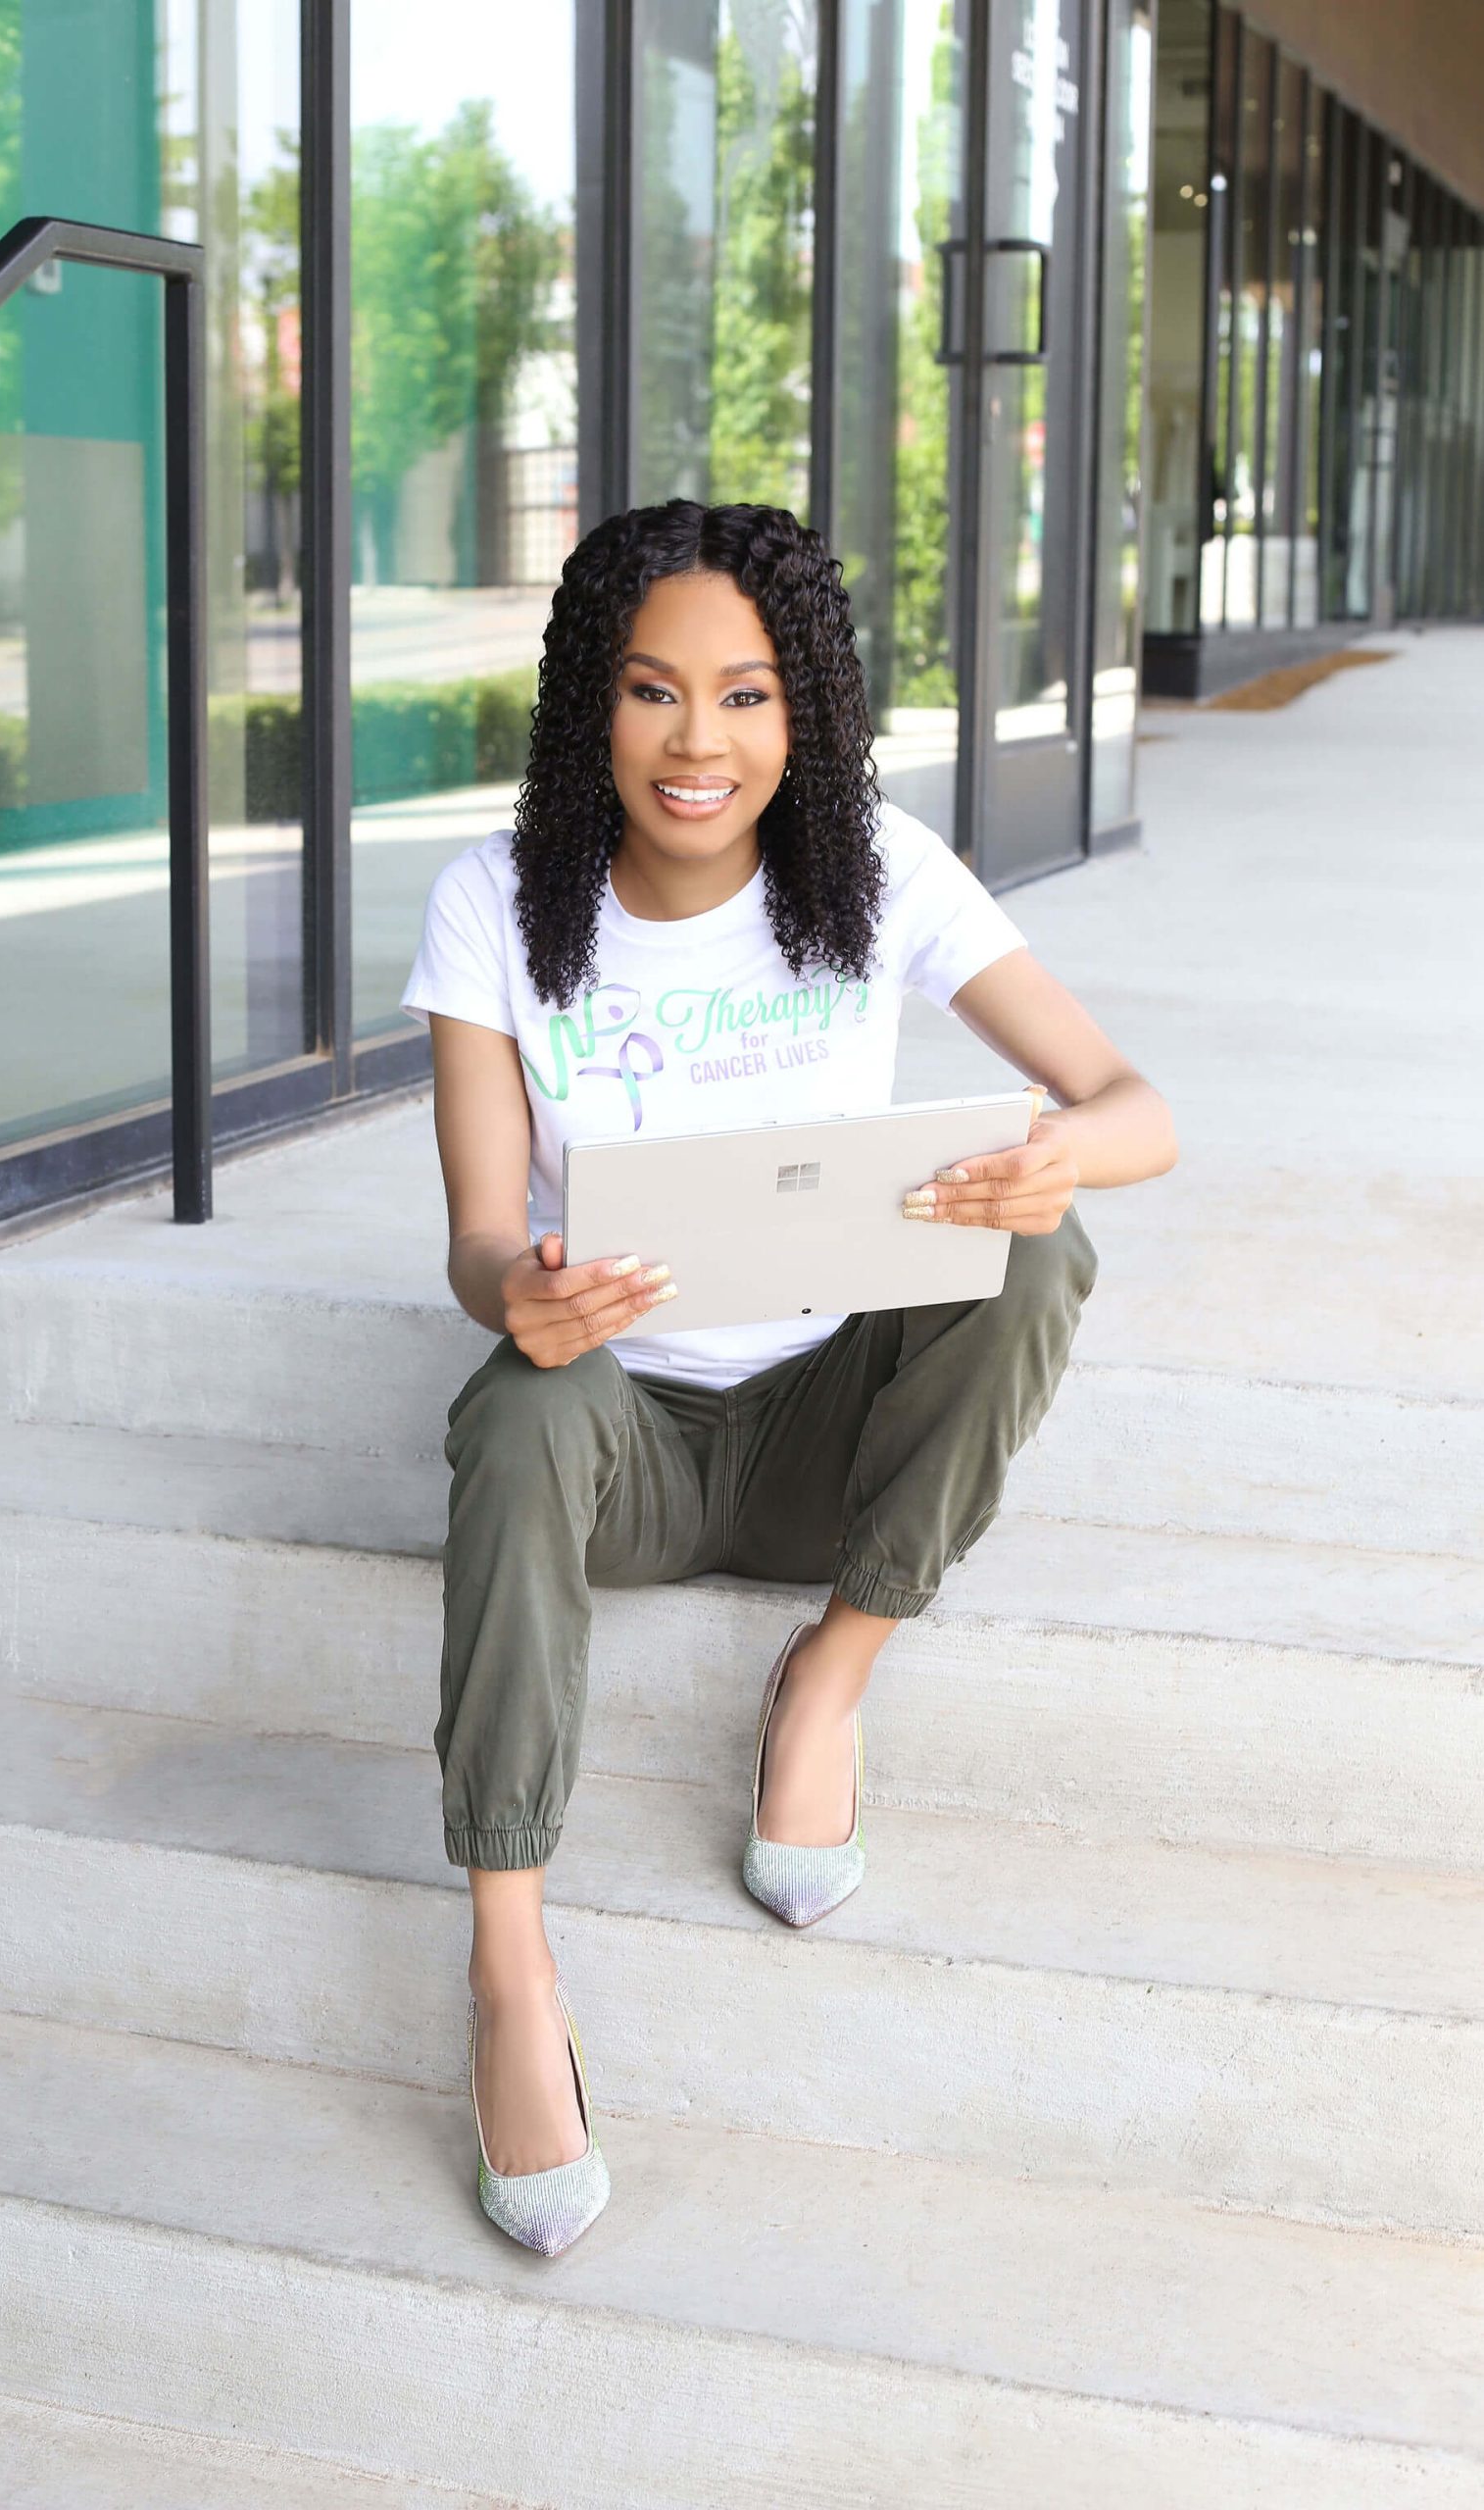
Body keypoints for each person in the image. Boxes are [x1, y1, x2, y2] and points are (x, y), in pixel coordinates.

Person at [400, 499, 1177, 2256]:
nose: (700, 744)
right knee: (515, 1403)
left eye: (746, 695)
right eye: (652, 691)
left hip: (827, 1433)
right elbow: (475, 1240)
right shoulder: (492, 909)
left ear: (803, 709)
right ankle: (510, 1965)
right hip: (624, 1446)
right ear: (589, 706)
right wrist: (519, 1292)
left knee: (1038, 1246)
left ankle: (829, 1677)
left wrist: (1052, 1158)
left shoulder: (880, 871)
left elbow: (1139, 1109)